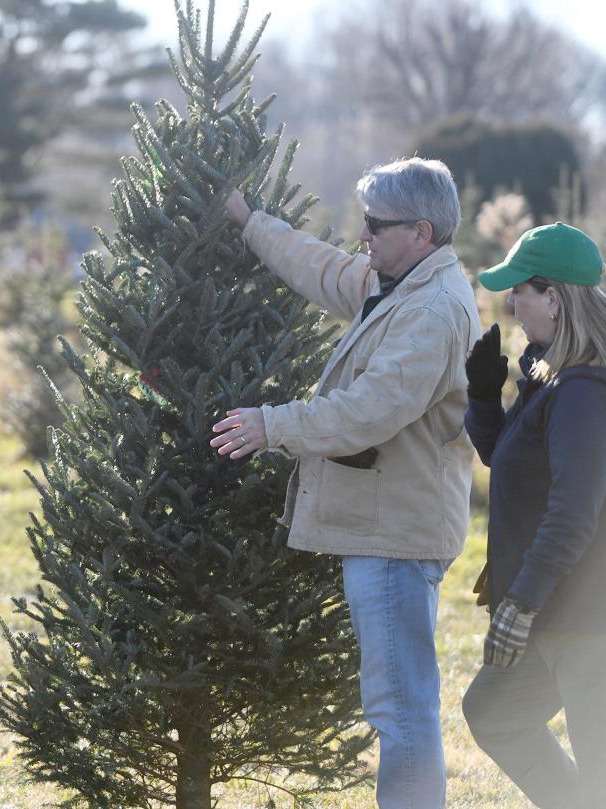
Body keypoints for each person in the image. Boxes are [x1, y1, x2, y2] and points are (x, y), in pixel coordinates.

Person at [208, 158, 481, 809]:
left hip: (395, 535)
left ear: (419, 230)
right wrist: (249, 222)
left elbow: (366, 412)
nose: (362, 234)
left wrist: (270, 425)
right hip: (385, 523)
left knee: (399, 706)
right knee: (398, 698)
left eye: (374, 224)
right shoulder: (398, 282)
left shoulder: (432, 312)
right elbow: (321, 266)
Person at [459, 222, 606, 809]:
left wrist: (520, 604)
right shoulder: (550, 373)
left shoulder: (587, 392)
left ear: (552, 297)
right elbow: (510, 460)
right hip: (555, 609)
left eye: (519, 291)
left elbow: (572, 515)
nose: (511, 302)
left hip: (593, 620)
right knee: (492, 711)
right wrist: (483, 396)